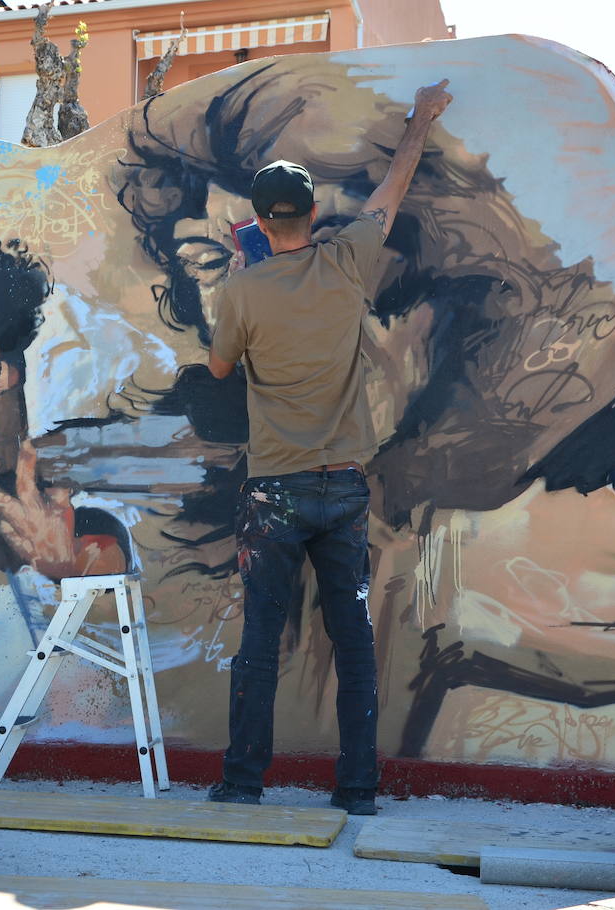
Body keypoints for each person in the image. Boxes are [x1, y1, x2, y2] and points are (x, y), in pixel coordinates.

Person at [203, 80, 453, 812]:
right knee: (352, 642)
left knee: (258, 643)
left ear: (258, 220)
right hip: (343, 489)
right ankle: (358, 790)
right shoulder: (347, 260)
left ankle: (243, 784)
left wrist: (248, 282)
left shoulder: (244, 290)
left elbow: (219, 368)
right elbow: (390, 192)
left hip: (273, 491)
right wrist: (422, 120)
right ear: (312, 214)